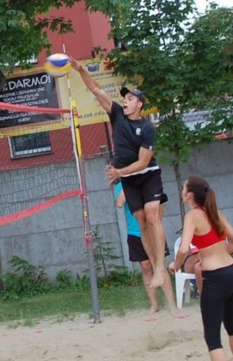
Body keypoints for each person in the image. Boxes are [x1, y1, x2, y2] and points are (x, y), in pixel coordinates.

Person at [70, 57, 167, 288]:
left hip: (147, 174)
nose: (125, 100)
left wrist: (119, 172)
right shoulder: (116, 114)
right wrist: (81, 70)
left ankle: (161, 267)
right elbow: (95, 89)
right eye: (125, 97)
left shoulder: (147, 128)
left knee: (153, 215)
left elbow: (143, 163)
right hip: (128, 177)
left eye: (130, 98)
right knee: (141, 221)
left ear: (139, 105)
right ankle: (154, 265)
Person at [168, 175, 233, 361]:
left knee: (212, 337)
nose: (182, 191)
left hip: (215, 279)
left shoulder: (192, 215)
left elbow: (183, 248)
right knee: (231, 324)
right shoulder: (214, 211)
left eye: (183, 188)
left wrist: (176, 264)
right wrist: (216, 254)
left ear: (189, 195)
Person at [115, 182, 178, 315]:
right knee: (145, 266)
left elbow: (161, 205)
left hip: (153, 232)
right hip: (135, 232)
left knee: (159, 265)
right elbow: (119, 203)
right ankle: (154, 304)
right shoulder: (122, 185)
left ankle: (171, 305)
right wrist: (129, 182)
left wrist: (155, 226)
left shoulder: (148, 181)